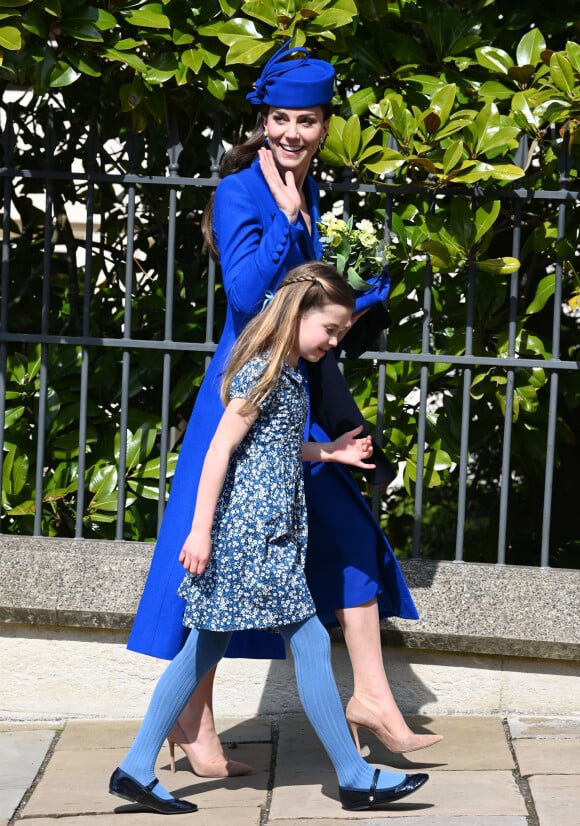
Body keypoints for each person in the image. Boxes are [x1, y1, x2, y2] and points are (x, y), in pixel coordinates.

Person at [127, 42, 441, 777]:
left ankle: (370, 698)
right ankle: (189, 722)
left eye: (307, 120)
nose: (293, 132)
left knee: (351, 534)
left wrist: (355, 301)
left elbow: (304, 297)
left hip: (297, 400)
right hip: (247, 395)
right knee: (212, 572)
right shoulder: (243, 189)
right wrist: (286, 214)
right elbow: (246, 298)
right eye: (280, 119)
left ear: (325, 125)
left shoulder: (310, 186)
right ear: (263, 121)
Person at [110, 264, 429, 815]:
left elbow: (278, 447)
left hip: (267, 537)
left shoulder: (288, 371)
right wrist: (201, 531)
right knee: (306, 642)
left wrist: (330, 453)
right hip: (252, 541)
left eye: (340, 335)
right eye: (329, 330)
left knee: (201, 650)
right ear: (299, 312)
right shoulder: (265, 371)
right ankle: (353, 777)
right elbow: (218, 451)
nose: (333, 342)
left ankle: (136, 769)